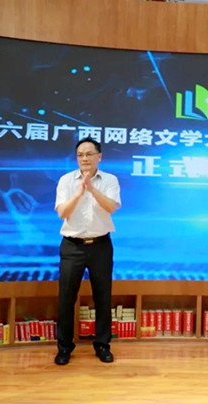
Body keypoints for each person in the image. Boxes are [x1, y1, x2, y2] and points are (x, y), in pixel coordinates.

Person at [54, 137, 121, 365]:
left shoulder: (110, 180)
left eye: (89, 154)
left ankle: (102, 345)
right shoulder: (66, 180)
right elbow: (62, 212)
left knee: (103, 296)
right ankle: (64, 347)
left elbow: (111, 207)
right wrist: (79, 192)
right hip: (72, 246)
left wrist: (92, 189)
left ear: (99, 157)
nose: (84, 159)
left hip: (101, 245)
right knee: (66, 297)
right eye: (80, 155)